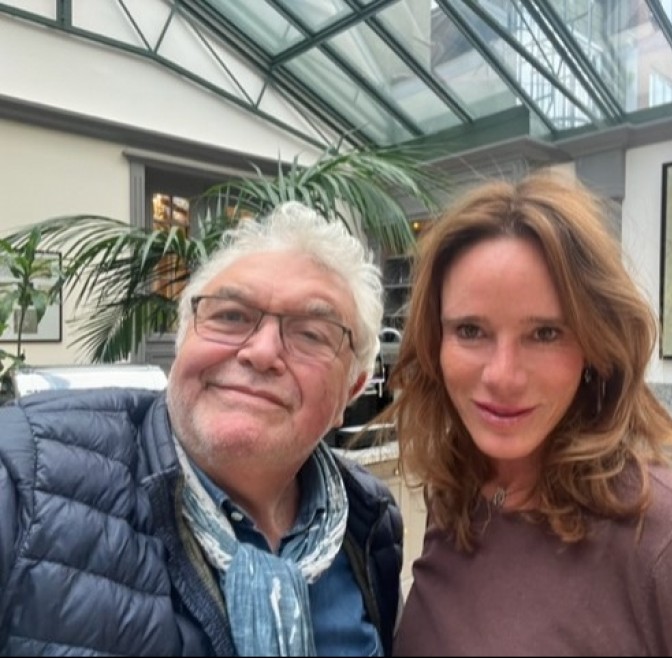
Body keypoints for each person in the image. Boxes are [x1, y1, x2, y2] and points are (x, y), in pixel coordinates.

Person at [382, 172, 672, 656]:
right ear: (434, 343)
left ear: (594, 347)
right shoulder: (456, 497)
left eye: (545, 334)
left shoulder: (668, 539)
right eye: (471, 330)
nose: (503, 376)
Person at [0, 201, 403, 656]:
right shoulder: (24, 476)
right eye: (230, 316)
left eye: (311, 334)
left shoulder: (370, 522)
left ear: (351, 391)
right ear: (183, 337)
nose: (261, 352)